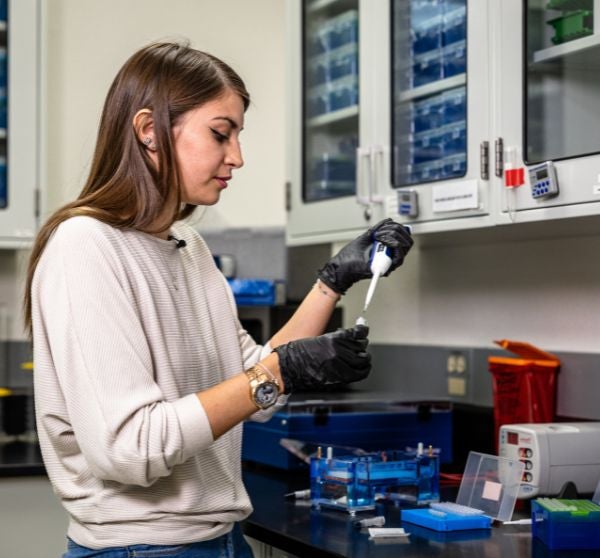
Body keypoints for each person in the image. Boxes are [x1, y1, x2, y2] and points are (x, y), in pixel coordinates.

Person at [23, 41, 413, 558]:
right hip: (143, 550)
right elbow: (129, 448)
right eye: (219, 133)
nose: (237, 157)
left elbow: (250, 384)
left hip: (222, 541)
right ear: (148, 132)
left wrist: (332, 282)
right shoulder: (85, 247)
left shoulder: (188, 248)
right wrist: (280, 373)